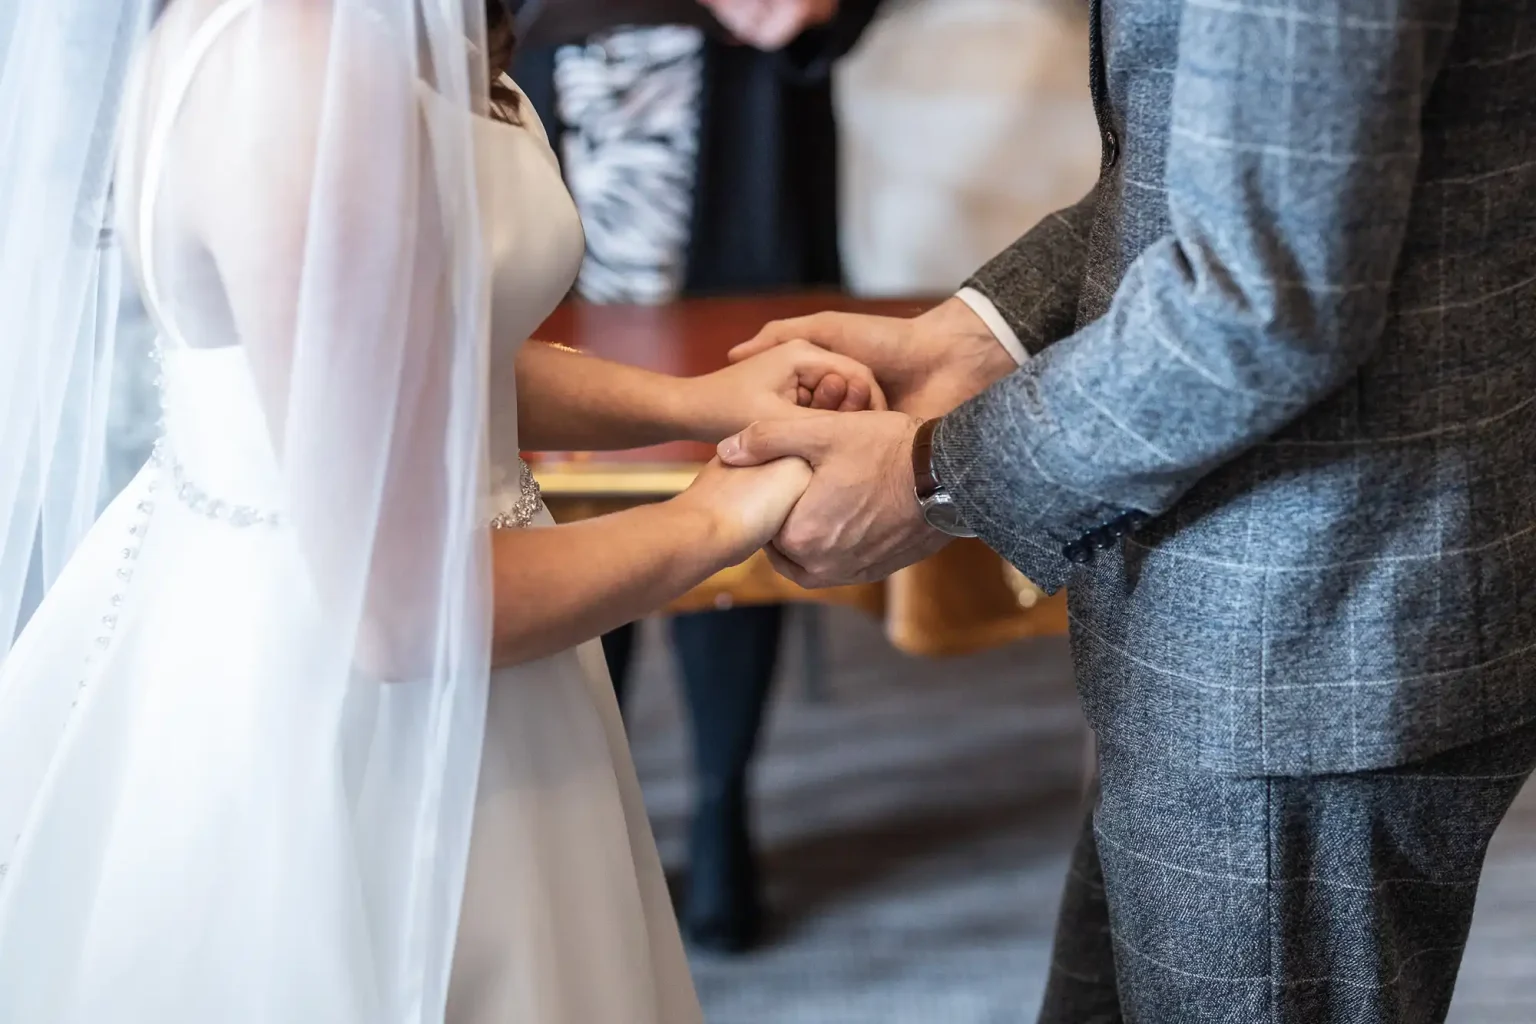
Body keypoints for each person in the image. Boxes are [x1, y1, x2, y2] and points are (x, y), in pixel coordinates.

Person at [0, 1, 882, 1020]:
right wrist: (722, 514)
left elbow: (420, 358)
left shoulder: (359, 29)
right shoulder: (302, 72)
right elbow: (405, 611)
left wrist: (698, 403)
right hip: (345, 694)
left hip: (471, 645)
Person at [725, 0, 1536, 1020]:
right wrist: (974, 335)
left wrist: (933, 473)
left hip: (1302, 624)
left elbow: (1258, 301)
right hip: (1245, 621)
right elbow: (1199, 177)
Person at [512, 0, 884, 952]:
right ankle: (611, 806)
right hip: (567, 126)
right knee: (563, 486)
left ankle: (723, 808)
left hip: (740, 146)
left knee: (755, 458)